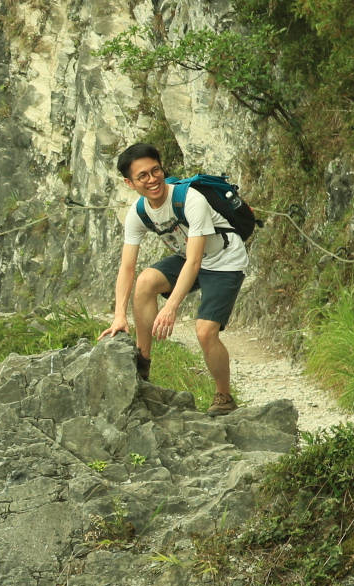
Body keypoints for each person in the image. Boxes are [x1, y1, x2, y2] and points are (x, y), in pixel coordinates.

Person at [100, 143, 248, 416]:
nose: (152, 179)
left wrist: (171, 307)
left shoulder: (191, 200)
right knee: (146, 282)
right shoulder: (139, 212)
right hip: (188, 256)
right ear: (129, 183)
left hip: (223, 259)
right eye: (142, 176)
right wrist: (119, 315)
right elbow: (127, 267)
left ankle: (224, 397)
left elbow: (195, 262)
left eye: (155, 170)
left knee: (205, 331)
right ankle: (143, 365)